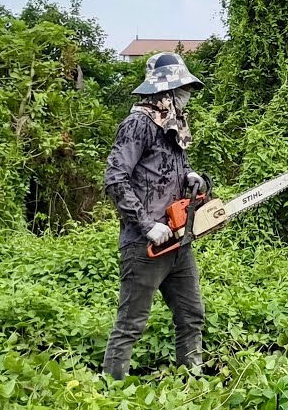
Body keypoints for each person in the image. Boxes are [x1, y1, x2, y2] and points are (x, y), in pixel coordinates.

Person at [102, 52, 208, 380]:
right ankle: (109, 391)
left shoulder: (173, 126)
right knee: (131, 324)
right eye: (180, 89)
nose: (184, 96)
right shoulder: (138, 124)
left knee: (191, 316)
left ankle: (192, 384)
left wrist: (194, 178)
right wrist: (147, 225)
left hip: (178, 241)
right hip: (144, 245)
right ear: (163, 91)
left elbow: (178, 168)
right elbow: (115, 178)